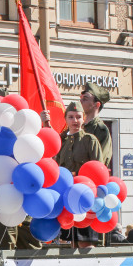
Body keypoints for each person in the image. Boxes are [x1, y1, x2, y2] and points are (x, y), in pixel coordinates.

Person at [55, 103, 103, 248]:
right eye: (71, 117)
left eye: (78, 117)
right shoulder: (61, 142)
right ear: (66, 119)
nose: (75, 121)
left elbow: (98, 170)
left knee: (86, 244)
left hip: (85, 198)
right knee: (68, 244)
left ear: (84, 119)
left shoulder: (90, 140)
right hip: (66, 201)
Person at [79, 82, 112, 168]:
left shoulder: (101, 130)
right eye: (81, 98)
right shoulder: (78, 126)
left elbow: (100, 163)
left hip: (89, 178)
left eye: (85, 99)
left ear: (96, 105)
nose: (80, 101)